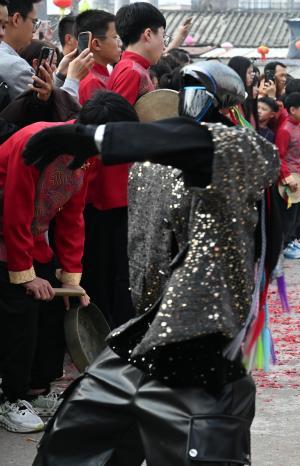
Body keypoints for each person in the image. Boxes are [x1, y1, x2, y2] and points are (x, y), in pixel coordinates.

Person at [28, 64, 278, 465]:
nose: (193, 97)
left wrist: (100, 137)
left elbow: (198, 144)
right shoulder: (148, 167)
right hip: (144, 336)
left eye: (202, 89)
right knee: (71, 439)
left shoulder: (248, 151)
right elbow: (145, 256)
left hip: (207, 353)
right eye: (186, 87)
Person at [0, 91, 139, 434]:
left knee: (55, 305)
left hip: (30, 236)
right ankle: (10, 397)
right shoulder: (38, 143)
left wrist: (71, 278)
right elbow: (15, 207)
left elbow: (73, 215)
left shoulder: (87, 155)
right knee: (21, 308)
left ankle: (36, 390)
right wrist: (24, 276)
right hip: (6, 231)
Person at [82, 2, 167, 327]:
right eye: (162, 36)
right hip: (119, 190)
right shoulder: (132, 71)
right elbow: (114, 131)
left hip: (123, 187)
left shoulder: (132, 68)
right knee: (122, 270)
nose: (163, 44)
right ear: (148, 34)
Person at [276, 92, 300, 260]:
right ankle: (284, 245)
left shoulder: (298, 126)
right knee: (287, 216)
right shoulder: (285, 129)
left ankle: (291, 241)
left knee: (297, 215)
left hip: (299, 178)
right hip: (289, 181)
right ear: (292, 110)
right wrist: (287, 178)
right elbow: (279, 156)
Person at [76, 9, 121, 105]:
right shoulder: (92, 82)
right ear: (96, 44)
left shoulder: (98, 74)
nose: (120, 44)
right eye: (115, 37)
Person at [228, 56, 258, 128]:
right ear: (239, 73)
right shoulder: (229, 101)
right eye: (249, 72)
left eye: (252, 73)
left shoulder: (245, 98)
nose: (252, 76)